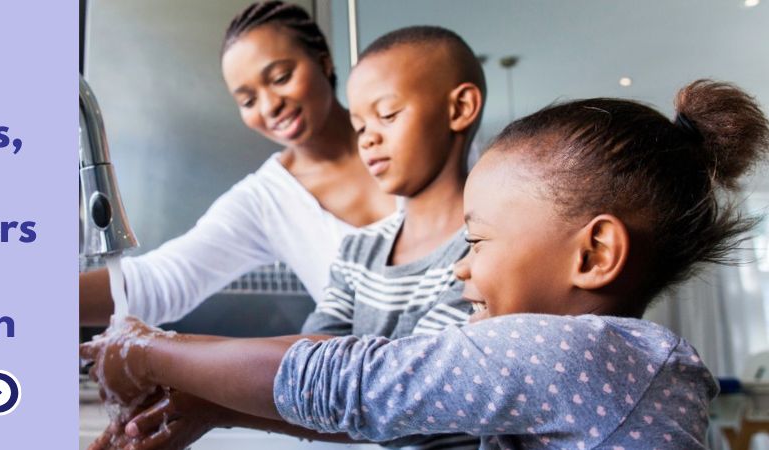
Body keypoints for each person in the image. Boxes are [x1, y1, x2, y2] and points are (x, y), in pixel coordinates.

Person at [83, 79, 769, 448]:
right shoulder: (592, 364)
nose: (461, 268)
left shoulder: (579, 354)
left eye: (478, 242)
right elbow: (411, 415)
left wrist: (151, 350)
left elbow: (356, 382)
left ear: (593, 254)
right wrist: (214, 407)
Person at [94, 25, 488, 450]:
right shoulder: (358, 253)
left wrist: (156, 353)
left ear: (460, 107)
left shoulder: (484, 252)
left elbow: (392, 390)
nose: (369, 138)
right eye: (359, 125)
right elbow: (312, 374)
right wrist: (206, 403)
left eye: (387, 116)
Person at [79, 0, 395, 327]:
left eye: (281, 77)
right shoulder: (266, 200)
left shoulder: (405, 134)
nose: (270, 106)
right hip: (380, 375)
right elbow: (162, 281)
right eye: (248, 100)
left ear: (324, 63)